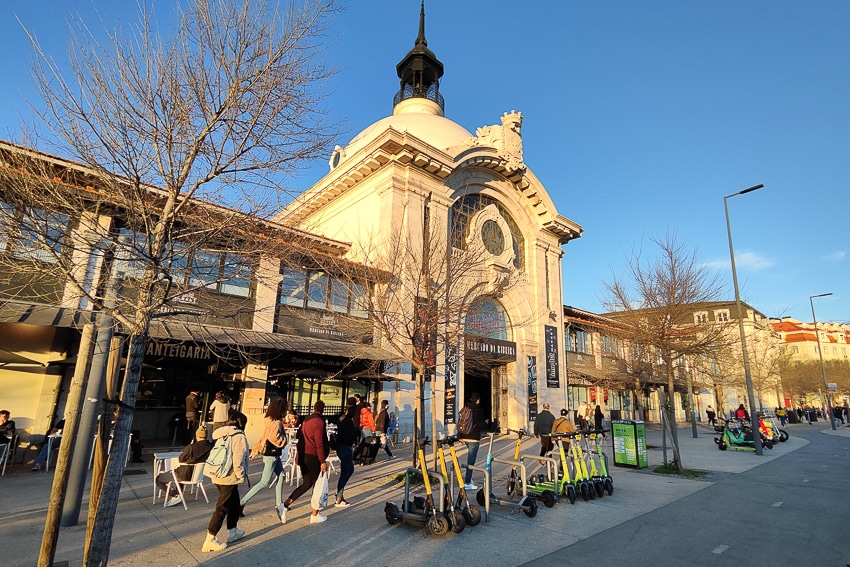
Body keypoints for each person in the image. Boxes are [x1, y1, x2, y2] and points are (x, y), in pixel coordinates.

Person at [202, 411, 250, 553]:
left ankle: (233, 530)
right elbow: (238, 459)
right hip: (228, 477)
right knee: (222, 508)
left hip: (217, 473)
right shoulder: (239, 436)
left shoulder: (222, 433)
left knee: (234, 503)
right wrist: (241, 476)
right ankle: (210, 538)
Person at [281, 400, 329, 524]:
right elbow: (319, 442)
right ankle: (315, 514)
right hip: (313, 456)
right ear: (323, 410)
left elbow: (300, 438)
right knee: (317, 485)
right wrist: (322, 461)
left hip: (303, 454)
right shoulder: (319, 422)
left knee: (306, 484)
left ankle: (285, 505)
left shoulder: (306, 421)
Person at [240, 398, 287, 522]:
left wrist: (255, 451)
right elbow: (273, 439)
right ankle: (242, 502)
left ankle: (278, 503)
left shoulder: (269, 421)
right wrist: (284, 440)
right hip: (272, 455)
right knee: (264, 482)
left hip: (270, 454)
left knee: (281, 475)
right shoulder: (277, 423)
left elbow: (263, 438)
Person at [157, 427, 213, 507]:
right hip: (197, 475)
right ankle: (178, 493)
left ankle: (175, 494)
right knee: (182, 473)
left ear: (197, 435)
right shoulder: (211, 447)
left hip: (184, 474)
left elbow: (181, 459)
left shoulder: (191, 447)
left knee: (158, 479)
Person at [333, 397, 359, 507]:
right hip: (345, 448)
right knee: (345, 472)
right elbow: (350, 436)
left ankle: (339, 493)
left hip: (342, 448)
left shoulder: (342, 418)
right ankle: (339, 497)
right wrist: (356, 431)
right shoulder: (347, 421)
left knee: (350, 469)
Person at [459, 392, 485, 491]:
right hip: (473, 437)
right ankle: (467, 482)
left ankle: (469, 480)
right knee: (471, 461)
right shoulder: (478, 409)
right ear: (477, 400)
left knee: (470, 458)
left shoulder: (465, 408)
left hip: (464, 436)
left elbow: (460, 422)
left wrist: (460, 436)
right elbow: (481, 424)